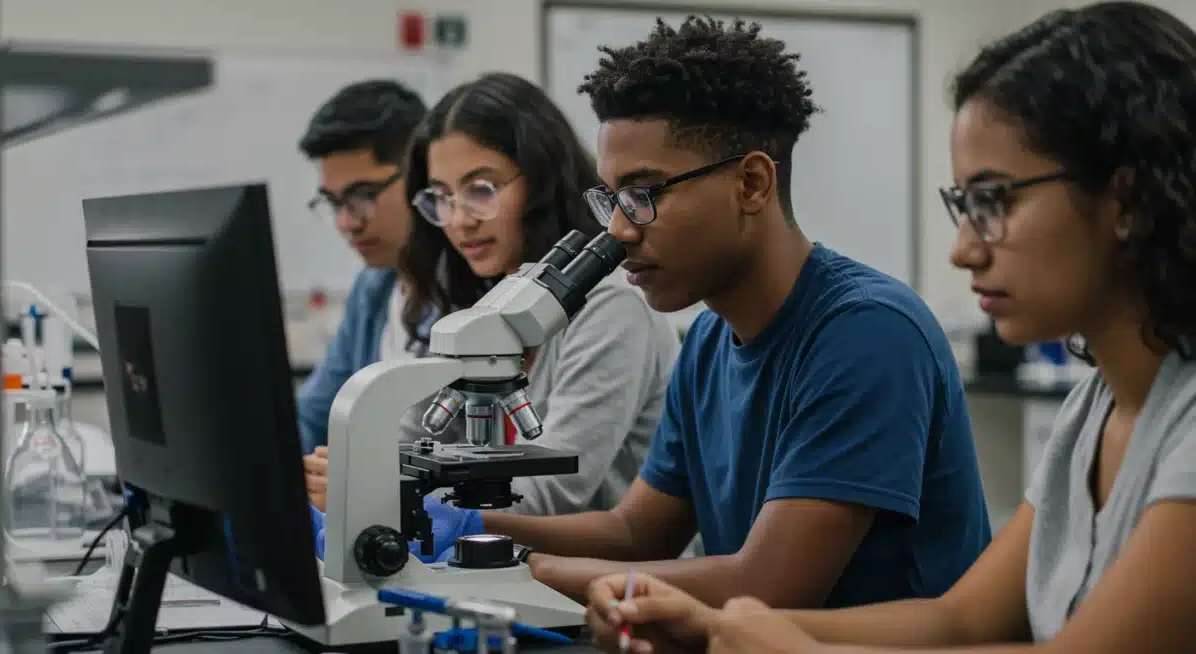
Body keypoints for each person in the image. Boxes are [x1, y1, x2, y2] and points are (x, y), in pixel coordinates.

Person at [584, 3, 1196, 653]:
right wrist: (708, 624)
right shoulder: (1093, 410)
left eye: (995, 201)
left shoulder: (1183, 422)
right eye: (963, 205)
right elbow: (960, 621)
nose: (961, 250)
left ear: (1126, 201)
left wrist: (797, 648)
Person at [423, 16, 990, 608]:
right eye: (611, 199)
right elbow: (636, 533)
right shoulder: (710, 339)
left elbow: (769, 586)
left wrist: (510, 568)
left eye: (645, 195)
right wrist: (462, 526)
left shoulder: (868, 333)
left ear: (750, 184)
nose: (618, 230)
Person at [303, 71, 679, 526]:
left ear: (540, 180)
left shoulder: (612, 307)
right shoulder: (480, 298)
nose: (460, 220)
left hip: (603, 583)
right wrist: (361, 471)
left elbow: (551, 492)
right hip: (500, 567)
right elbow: (409, 439)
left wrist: (379, 491)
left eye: (481, 190)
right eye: (441, 197)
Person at [295, 79, 428, 456]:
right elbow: (313, 418)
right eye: (334, 203)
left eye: (362, 196)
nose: (346, 223)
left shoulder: (470, 294)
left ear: (421, 176)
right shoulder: (374, 289)